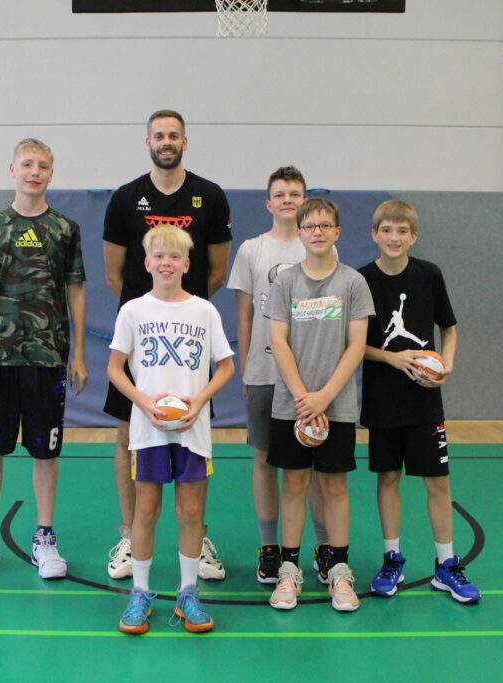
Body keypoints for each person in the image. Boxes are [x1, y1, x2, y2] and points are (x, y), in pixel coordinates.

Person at [0, 138, 87, 581]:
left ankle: (44, 537)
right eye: (27, 164)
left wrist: (79, 354)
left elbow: (75, 291)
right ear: (12, 169)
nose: (35, 172)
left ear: (51, 173)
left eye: (43, 165)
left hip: (48, 357)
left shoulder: (65, 229)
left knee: (45, 452)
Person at [102, 109, 232, 581]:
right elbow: (114, 273)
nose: (166, 141)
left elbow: (217, 271)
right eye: (159, 135)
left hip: (186, 345)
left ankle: (198, 536)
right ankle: (129, 533)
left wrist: (181, 311)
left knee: (194, 437)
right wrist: (151, 309)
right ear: (148, 142)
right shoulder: (125, 198)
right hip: (144, 342)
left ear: (184, 141)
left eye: (173, 135)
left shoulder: (210, 196)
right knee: (128, 436)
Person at [107, 225, 235, 634]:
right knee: (145, 510)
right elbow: (115, 368)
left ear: (187, 264)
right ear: (146, 263)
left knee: (191, 512)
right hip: (149, 430)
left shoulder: (204, 311)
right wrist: (144, 402)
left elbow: (226, 366)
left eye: (175, 257)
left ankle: (188, 593)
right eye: (159, 256)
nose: (167, 263)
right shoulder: (133, 311)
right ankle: (140, 592)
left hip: (192, 430)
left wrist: (199, 402)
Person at [358, 200, 481, 604]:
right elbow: (353, 344)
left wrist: (448, 364)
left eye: (402, 231)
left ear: (414, 236)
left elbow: (449, 327)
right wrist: (391, 358)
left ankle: (446, 565)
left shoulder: (429, 274)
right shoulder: (361, 280)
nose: (394, 237)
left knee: (437, 481)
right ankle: (392, 559)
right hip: (383, 397)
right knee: (388, 478)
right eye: (386, 230)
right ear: (374, 234)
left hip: (424, 401)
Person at [226, 167, 337, 585]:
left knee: (314, 463)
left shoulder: (321, 248)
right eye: (280, 194)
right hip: (265, 372)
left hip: (312, 378)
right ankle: (269, 546)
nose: (287, 199)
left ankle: (324, 546)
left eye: (295, 193)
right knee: (264, 459)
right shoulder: (252, 250)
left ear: (305, 200)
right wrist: (247, 366)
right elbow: (244, 316)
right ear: (268, 203)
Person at [266, 197, 374, 612]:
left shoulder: (352, 283)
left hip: (337, 405)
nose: (317, 232)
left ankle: (339, 569)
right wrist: (302, 396)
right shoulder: (285, 282)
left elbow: (356, 345)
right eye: (309, 226)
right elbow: (278, 341)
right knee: (294, 484)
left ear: (337, 232)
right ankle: (289, 570)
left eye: (325, 225)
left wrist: (326, 396)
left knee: (334, 485)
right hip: (291, 405)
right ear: (299, 233)